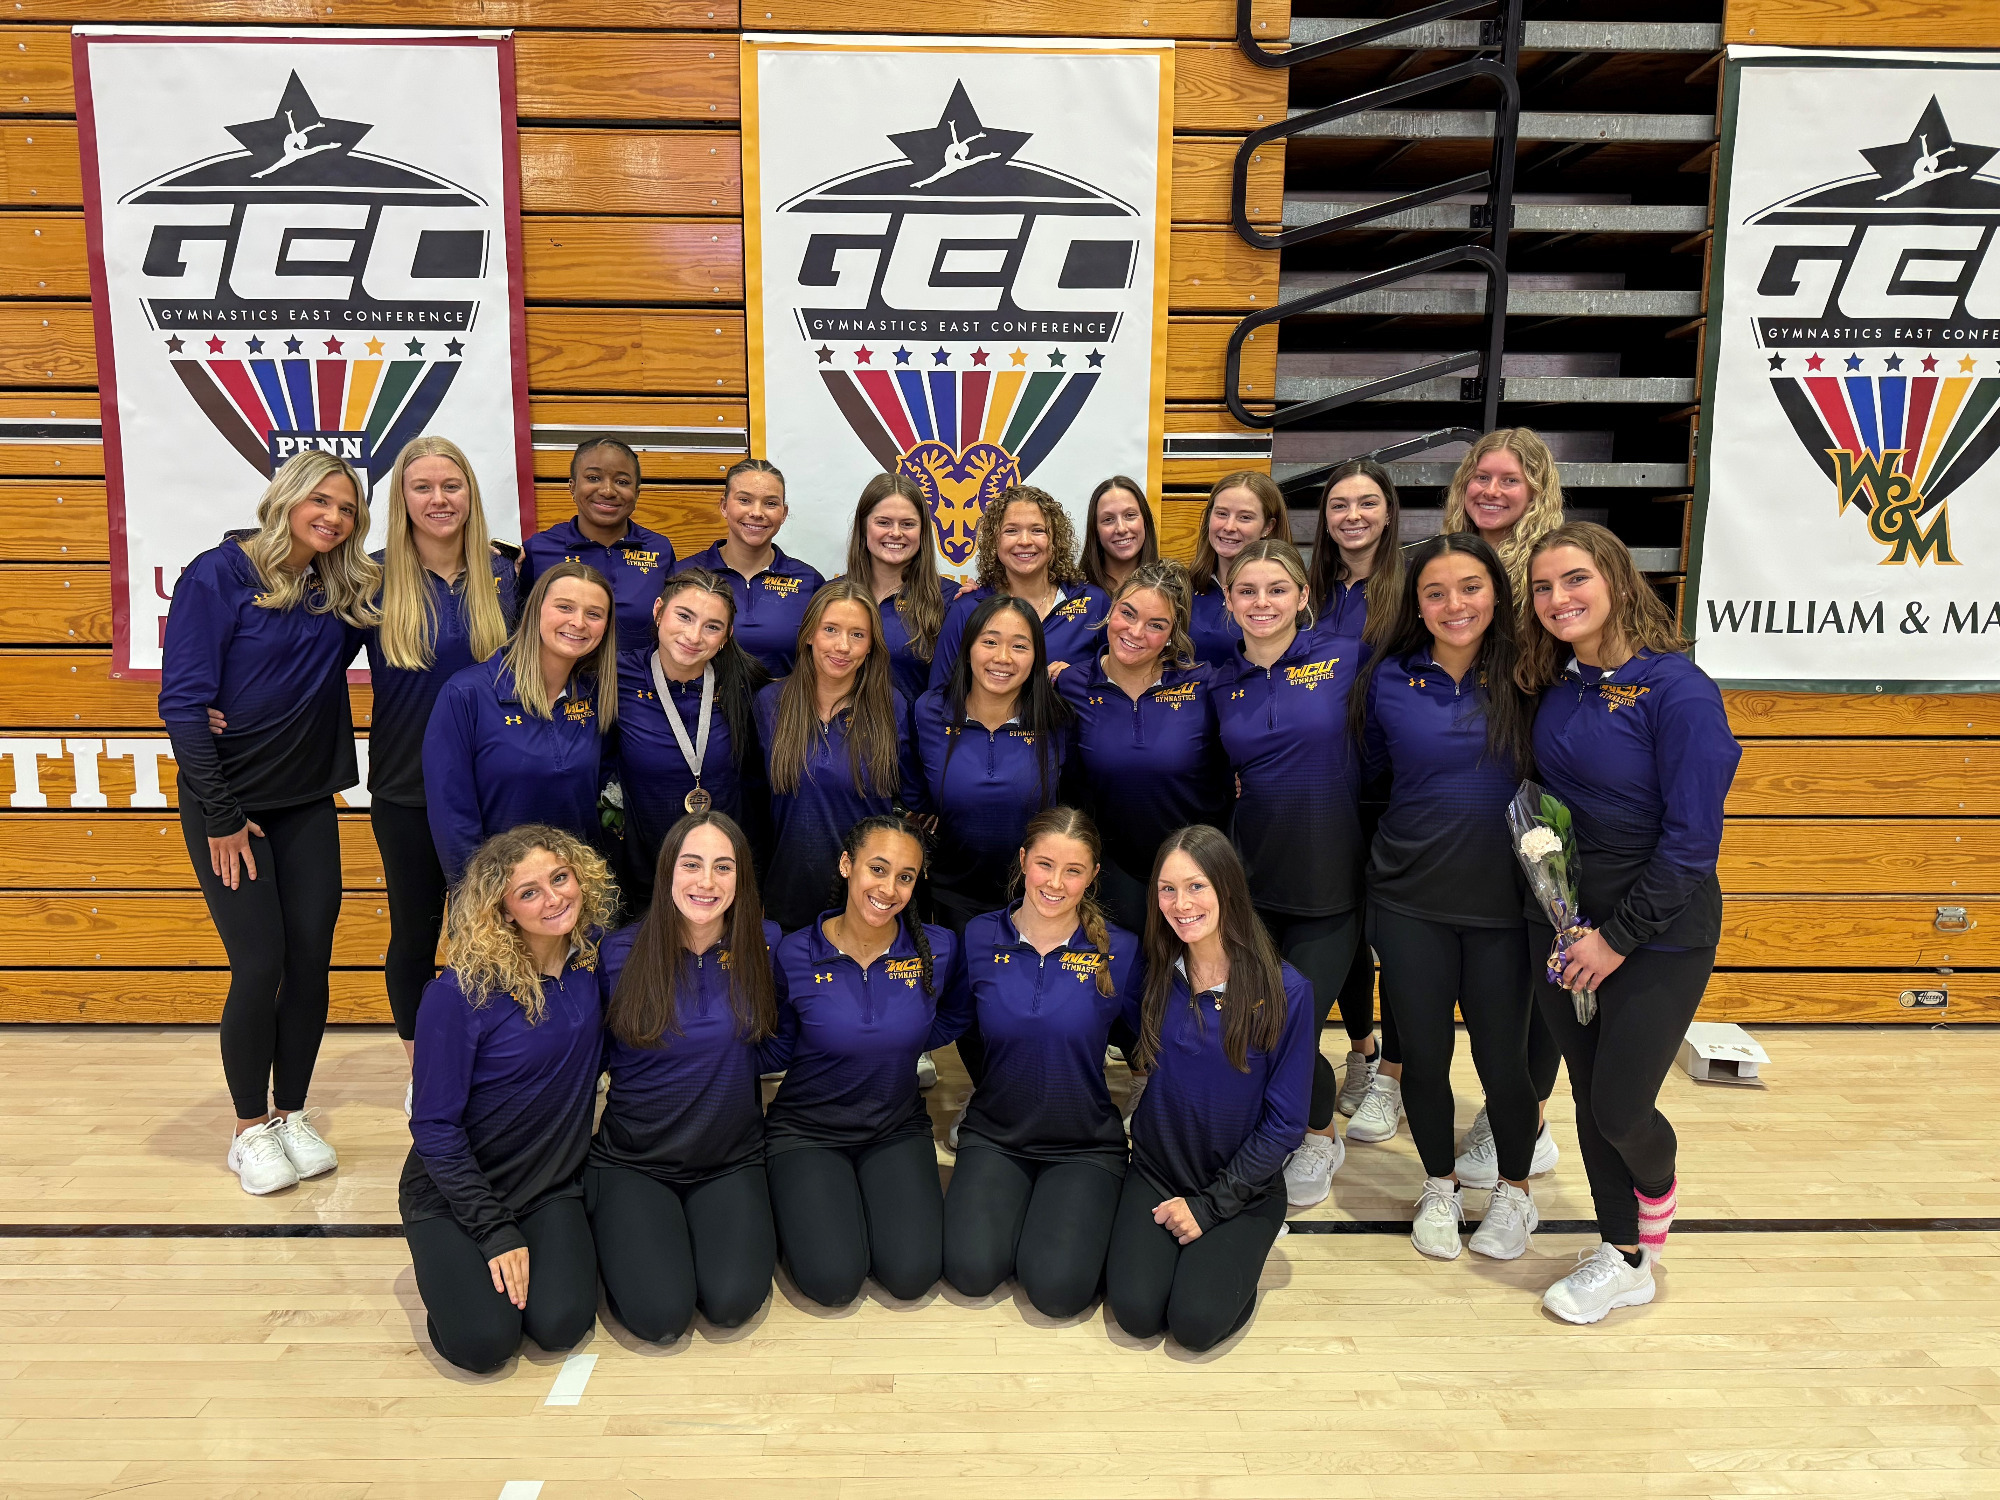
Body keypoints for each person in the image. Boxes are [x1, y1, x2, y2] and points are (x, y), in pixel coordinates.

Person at [1518, 522, 1740, 1323]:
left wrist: (1615, 941)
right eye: (1543, 588)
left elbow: (1691, 846)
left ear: (1616, 577)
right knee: (1585, 1093)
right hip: (1564, 922)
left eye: (1574, 580)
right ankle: (1623, 1251)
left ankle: (1653, 1209)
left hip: (1656, 933)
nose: (1558, 599)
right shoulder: (1556, 680)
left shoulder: (1680, 691)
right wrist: (1564, 917)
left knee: (1620, 1105)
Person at [160, 451, 378, 1194]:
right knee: (260, 965)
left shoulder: (337, 589)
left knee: (311, 961)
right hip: (231, 810)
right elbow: (184, 704)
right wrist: (221, 814)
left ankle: (291, 1112)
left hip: (307, 801)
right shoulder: (216, 575)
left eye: (347, 509)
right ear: (284, 498)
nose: (334, 517)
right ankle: (249, 1129)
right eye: (320, 500)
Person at [1356, 534, 1541, 1259]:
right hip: (1409, 903)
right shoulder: (1390, 680)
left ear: (1495, 592)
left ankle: (1515, 1195)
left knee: (1504, 1066)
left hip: (1503, 910)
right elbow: (1371, 783)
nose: (1453, 604)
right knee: (1424, 1061)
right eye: (1435, 593)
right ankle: (1438, 1184)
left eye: (1469, 588)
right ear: (1417, 604)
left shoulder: (1533, 677)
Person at [401, 824, 615, 1373]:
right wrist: (493, 1229)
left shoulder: (596, 964)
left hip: (547, 1186)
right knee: (485, 1345)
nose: (554, 898)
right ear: (501, 910)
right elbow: (434, 1127)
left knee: (563, 1325)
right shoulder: (460, 993)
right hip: (455, 1195)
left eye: (561, 878)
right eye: (529, 892)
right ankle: (454, 1284)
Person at [1106, 826, 1313, 1352]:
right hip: (1156, 1169)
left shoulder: (1286, 990)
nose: (1182, 903)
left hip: (1239, 1187)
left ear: (1227, 888)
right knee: (1135, 1312)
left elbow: (1287, 1124)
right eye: (1167, 889)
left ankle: (1242, 1249)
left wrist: (1211, 1206)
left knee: (1195, 1323)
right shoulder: (1154, 970)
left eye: (1196, 886)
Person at [938, 808, 1143, 1317]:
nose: (1055, 882)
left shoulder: (1120, 950)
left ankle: (1060, 1214)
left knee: (1057, 1292)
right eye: (1045, 864)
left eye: (1073, 870)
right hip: (995, 1134)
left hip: (1084, 1143)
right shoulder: (981, 937)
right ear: (1023, 860)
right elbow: (949, 1022)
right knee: (970, 1273)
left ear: (1093, 875)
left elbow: (1159, 1043)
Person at [362, 437, 516, 1104]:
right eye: (422, 487)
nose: (438, 499)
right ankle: (425, 1063)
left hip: (498, 785)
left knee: (497, 922)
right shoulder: (371, 579)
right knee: (419, 928)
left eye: (451, 485)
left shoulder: (507, 573)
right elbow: (302, 656)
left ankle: (503, 1048)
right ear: (401, 500)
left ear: (470, 494)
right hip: (406, 786)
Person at [588, 811, 779, 1340]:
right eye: (692, 865)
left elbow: (783, 1037)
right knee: (660, 1317)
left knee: (732, 1303)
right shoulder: (618, 953)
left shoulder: (765, 945)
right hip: (636, 1162)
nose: (706, 882)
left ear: (741, 879)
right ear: (668, 869)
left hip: (730, 1160)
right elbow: (591, 1057)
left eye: (723, 867)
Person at [1214, 538, 1363, 1208]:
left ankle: (1320, 1134)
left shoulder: (1346, 660)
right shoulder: (1219, 682)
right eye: (1248, 591)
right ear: (1228, 601)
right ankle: (1285, 1123)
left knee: (1292, 1021)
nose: (1262, 603)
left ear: (1304, 596)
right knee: (1252, 1018)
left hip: (1332, 884)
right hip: (1254, 885)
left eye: (1278, 589)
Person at [1439, 428, 1571, 1182]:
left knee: (1541, 961)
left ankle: (1526, 1117)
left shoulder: (1549, 568)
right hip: (1474, 782)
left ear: (1535, 490)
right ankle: (1510, 1107)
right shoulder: (1450, 559)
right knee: (1502, 968)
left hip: (1539, 780)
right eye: (1481, 477)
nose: (1492, 490)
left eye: (1509, 481)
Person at [761, 817, 960, 1305]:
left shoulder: (939, 948)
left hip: (895, 1127)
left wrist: (898, 1041)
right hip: (808, 1130)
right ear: (847, 865)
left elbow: (956, 1013)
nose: (889, 889)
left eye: (906, 877)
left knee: (912, 1276)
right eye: (878, 868)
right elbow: (779, 1044)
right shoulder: (793, 953)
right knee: (833, 1282)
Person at [1304, 460, 1406, 1129]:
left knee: (1396, 937)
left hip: (1397, 780)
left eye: (1367, 503)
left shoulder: (1409, 586)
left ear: (1389, 512)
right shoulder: (1315, 587)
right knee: (1339, 924)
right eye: (1339, 505)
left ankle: (1395, 1072)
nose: (1353, 516)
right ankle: (1362, 1050)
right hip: (1330, 780)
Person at [1055, 562, 1229, 937]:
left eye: (1156, 624)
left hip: (1196, 869)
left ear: (1173, 633)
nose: (1135, 632)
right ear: (1112, 609)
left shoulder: (1204, 685)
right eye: (1127, 614)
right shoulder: (1071, 684)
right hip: (1116, 871)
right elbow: (1066, 783)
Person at [423, 561, 618, 883]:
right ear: (536, 610)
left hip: (576, 894)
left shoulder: (599, 699)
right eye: (564, 607)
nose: (579, 623)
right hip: (496, 894)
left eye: (594, 614)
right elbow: (452, 817)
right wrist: (477, 897)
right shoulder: (467, 694)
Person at [909, 595, 1074, 934]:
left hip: (1038, 897)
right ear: (968, 649)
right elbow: (918, 799)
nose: (1002, 658)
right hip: (951, 898)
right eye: (990, 642)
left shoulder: (1058, 719)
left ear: (1036, 659)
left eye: (1020, 646)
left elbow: (1072, 804)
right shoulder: (929, 712)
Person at [753, 580, 911, 931]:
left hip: (867, 899)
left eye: (858, 635)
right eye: (830, 630)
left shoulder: (893, 708)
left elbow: (911, 802)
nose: (843, 646)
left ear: (871, 646)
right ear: (809, 635)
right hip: (786, 894)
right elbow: (754, 807)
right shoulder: (770, 704)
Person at [613, 569, 769, 907]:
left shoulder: (746, 682)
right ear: (658, 611)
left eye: (712, 626)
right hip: (647, 871)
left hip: (724, 873)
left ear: (726, 637)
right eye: (684, 616)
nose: (694, 636)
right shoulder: (615, 675)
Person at [930, 485, 1108, 685]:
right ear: (994, 541)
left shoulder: (1093, 602)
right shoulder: (968, 608)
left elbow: (1118, 685)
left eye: (1037, 530)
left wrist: (1079, 676)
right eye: (1011, 530)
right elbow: (938, 695)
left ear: (1055, 540)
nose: (1024, 541)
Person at [520, 437, 674, 650]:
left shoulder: (660, 550)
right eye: (593, 478)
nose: (608, 491)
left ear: (637, 493)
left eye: (622, 482)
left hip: (640, 682)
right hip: (562, 681)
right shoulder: (538, 549)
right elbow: (520, 629)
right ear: (572, 487)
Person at [677, 459, 825, 674]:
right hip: (700, 706)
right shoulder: (684, 574)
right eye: (745, 500)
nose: (757, 512)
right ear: (724, 506)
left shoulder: (809, 582)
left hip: (781, 707)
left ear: (783, 514)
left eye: (770, 503)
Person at [838, 472, 958, 700]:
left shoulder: (950, 600)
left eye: (908, 524)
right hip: (841, 734)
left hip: (916, 735)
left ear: (922, 531)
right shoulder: (832, 596)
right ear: (863, 527)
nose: (895, 533)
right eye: (883, 522)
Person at [1185, 471, 1284, 667]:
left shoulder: (1285, 596)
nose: (1229, 526)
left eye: (1245, 517)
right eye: (1221, 514)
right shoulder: (1181, 588)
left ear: (1268, 527)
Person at [1079, 475, 1159, 595]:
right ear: (1095, 530)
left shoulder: (1171, 589)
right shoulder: (1074, 593)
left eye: (1130, 515)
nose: (1121, 529)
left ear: (1145, 521)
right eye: (1108, 519)